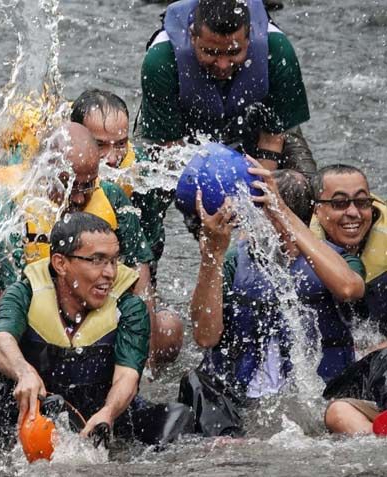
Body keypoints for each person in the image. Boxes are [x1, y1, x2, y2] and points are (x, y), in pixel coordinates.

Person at [0, 123, 180, 375]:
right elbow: (6, 301)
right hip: (19, 319)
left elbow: (140, 273)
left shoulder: (112, 199)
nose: (79, 198)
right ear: (44, 172)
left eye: (87, 185)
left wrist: (143, 362)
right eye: (69, 186)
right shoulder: (4, 211)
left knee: (167, 329)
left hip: (90, 304)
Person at [0, 212, 192, 447]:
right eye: (97, 260)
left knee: (178, 417)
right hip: (33, 408)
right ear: (61, 264)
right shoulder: (24, 293)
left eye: (113, 261)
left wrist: (109, 413)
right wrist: (24, 373)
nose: (110, 273)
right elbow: (0, 340)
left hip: (101, 411)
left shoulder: (129, 307)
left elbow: (127, 376)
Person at [185, 166, 365, 434]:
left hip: (321, 396)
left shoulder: (340, 262)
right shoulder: (235, 260)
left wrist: (283, 214)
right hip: (244, 400)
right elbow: (205, 337)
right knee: (195, 383)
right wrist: (212, 256)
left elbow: (350, 289)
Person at [71, 89, 183, 365]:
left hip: (116, 276)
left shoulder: (145, 177)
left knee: (166, 330)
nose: (112, 159)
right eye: (100, 146)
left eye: (120, 144)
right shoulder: (50, 178)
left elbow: (143, 266)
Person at [138, 0, 315, 173]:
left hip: (257, 131)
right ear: (193, 36)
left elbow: (272, 139)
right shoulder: (161, 61)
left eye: (233, 52)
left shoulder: (277, 50)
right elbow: (171, 151)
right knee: (147, 189)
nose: (223, 65)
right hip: (179, 136)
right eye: (211, 52)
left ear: (249, 36)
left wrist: (261, 189)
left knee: (299, 186)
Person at [307, 164, 387, 435]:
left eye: (362, 202)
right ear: (317, 210)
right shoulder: (296, 255)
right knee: (338, 412)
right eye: (340, 203)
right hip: (341, 382)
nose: (353, 213)